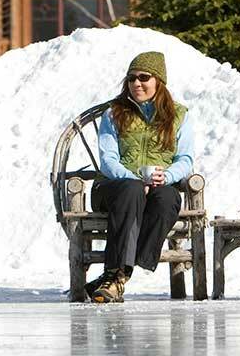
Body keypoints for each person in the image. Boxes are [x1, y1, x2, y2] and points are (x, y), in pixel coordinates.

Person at [86, 51, 196, 303]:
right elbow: (108, 160)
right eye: (131, 79)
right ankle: (117, 275)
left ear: (159, 80)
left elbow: (185, 160)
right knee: (131, 190)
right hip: (113, 187)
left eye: (144, 77)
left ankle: (116, 278)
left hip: (157, 185)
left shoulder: (179, 116)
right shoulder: (114, 113)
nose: (136, 84)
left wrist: (166, 176)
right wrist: (134, 179)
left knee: (168, 199)